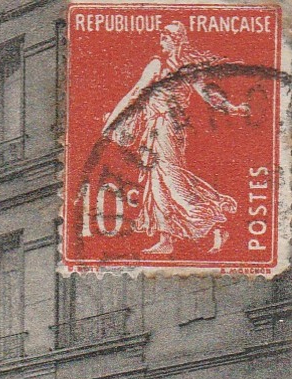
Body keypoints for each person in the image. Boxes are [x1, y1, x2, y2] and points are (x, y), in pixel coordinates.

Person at [102, 22, 251, 255]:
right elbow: (136, 93)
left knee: (171, 181)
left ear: (177, 40)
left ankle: (215, 223)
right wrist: (114, 118)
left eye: (167, 36)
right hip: (156, 129)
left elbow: (208, 94)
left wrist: (232, 108)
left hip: (168, 128)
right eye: (162, 35)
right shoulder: (159, 65)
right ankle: (167, 238)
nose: (162, 39)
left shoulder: (180, 67)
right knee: (157, 182)